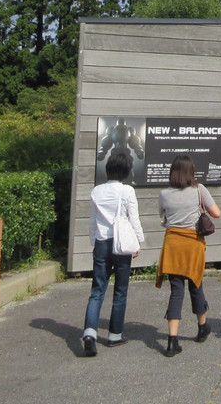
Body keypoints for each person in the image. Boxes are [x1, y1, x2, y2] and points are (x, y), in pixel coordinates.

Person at [155, 153, 221, 357]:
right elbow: (216, 213)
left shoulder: (164, 194)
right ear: (191, 171)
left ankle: (172, 340)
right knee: (196, 284)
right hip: (193, 243)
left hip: (173, 243)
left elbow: (163, 218)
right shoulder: (199, 190)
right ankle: (202, 327)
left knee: (177, 290)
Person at [82, 151, 146, 356]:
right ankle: (114, 335)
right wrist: (138, 242)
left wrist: (94, 242)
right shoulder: (127, 191)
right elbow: (133, 219)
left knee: (97, 290)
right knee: (120, 290)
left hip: (101, 243)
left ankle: (90, 333)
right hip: (121, 245)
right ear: (126, 170)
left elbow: (92, 222)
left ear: (108, 168)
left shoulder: (96, 191)